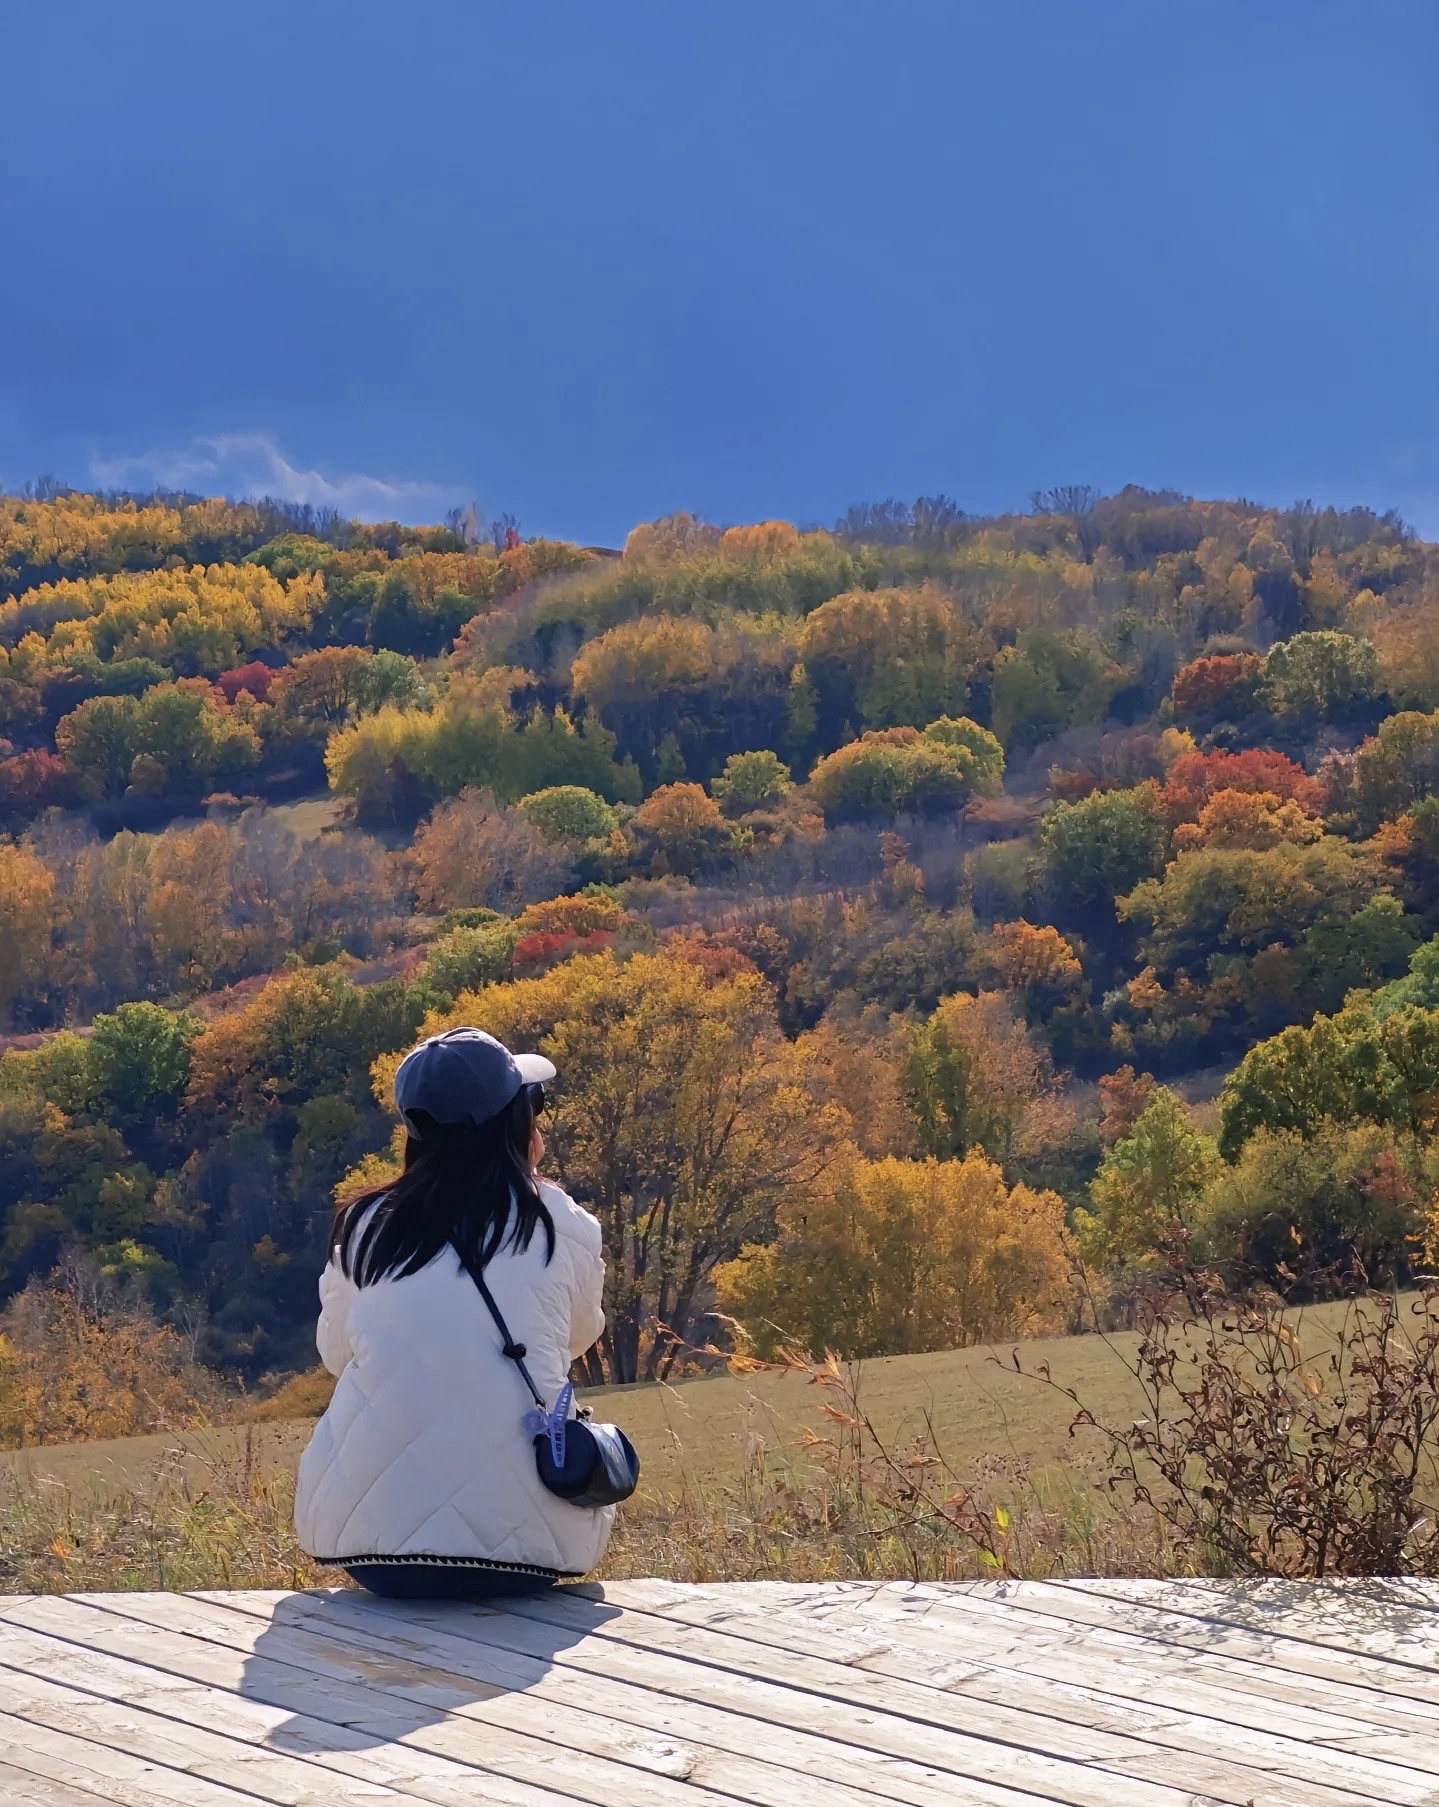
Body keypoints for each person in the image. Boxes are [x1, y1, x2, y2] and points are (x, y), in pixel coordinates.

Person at [293, 1027, 613, 1599]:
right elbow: (579, 1335)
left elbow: (336, 1355)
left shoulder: (365, 1225)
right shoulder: (561, 1225)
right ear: (514, 1124)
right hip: (537, 1546)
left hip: (367, 1545)